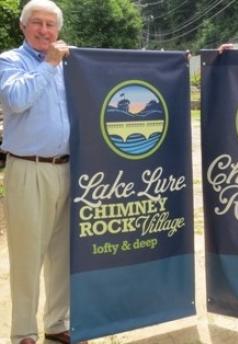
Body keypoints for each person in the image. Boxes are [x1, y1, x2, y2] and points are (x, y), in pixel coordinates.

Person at [0, 1, 78, 343]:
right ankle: (23, 332)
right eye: (37, 23)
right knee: (28, 255)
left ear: (58, 30)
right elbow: (16, 99)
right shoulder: (10, 61)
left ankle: (57, 322)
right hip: (28, 169)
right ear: (23, 26)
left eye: (50, 24)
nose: (44, 30)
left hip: (69, 167)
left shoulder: (70, 65)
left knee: (63, 254)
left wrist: (177, 62)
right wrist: (49, 64)